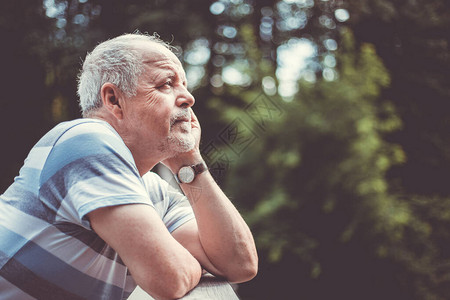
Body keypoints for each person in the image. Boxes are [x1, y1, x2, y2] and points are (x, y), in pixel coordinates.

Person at [0, 33, 258, 300]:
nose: (188, 98)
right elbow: (168, 278)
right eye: (166, 84)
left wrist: (190, 161)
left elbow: (240, 264)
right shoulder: (85, 139)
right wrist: (192, 265)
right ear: (113, 100)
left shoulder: (152, 191)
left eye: (184, 85)